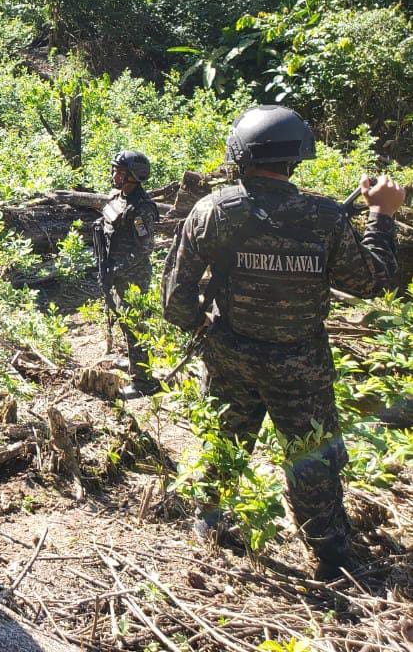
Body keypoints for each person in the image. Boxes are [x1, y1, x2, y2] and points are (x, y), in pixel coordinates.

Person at [161, 106, 403, 580]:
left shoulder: (211, 211)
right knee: (312, 459)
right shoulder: (325, 217)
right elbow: (373, 281)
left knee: (224, 445)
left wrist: (204, 330)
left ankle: (209, 533)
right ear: (295, 160)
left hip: (230, 354)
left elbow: (175, 299)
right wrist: (381, 215)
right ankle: (332, 560)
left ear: (239, 156)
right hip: (302, 365)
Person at [97, 150, 159, 387]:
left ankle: (144, 380)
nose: (115, 175)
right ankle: (134, 363)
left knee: (135, 325)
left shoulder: (141, 208)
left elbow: (146, 247)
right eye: (115, 170)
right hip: (113, 271)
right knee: (122, 320)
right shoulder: (116, 198)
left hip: (133, 276)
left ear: (136, 176)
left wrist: (120, 268)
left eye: (121, 172)